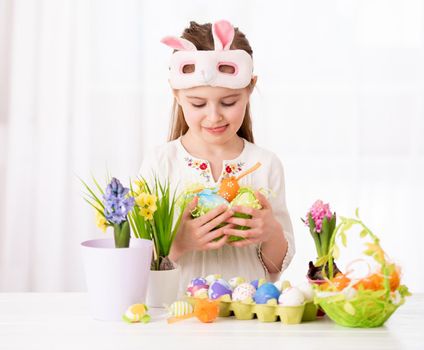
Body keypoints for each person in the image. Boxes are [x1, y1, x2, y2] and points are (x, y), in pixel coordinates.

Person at [138, 20, 294, 295]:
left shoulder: (266, 165)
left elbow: (274, 266)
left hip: (248, 317)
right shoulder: (161, 163)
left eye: (229, 102)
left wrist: (271, 232)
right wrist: (178, 242)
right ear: (177, 94)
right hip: (180, 316)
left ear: (250, 88)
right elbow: (136, 258)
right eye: (198, 104)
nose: (214, 116)